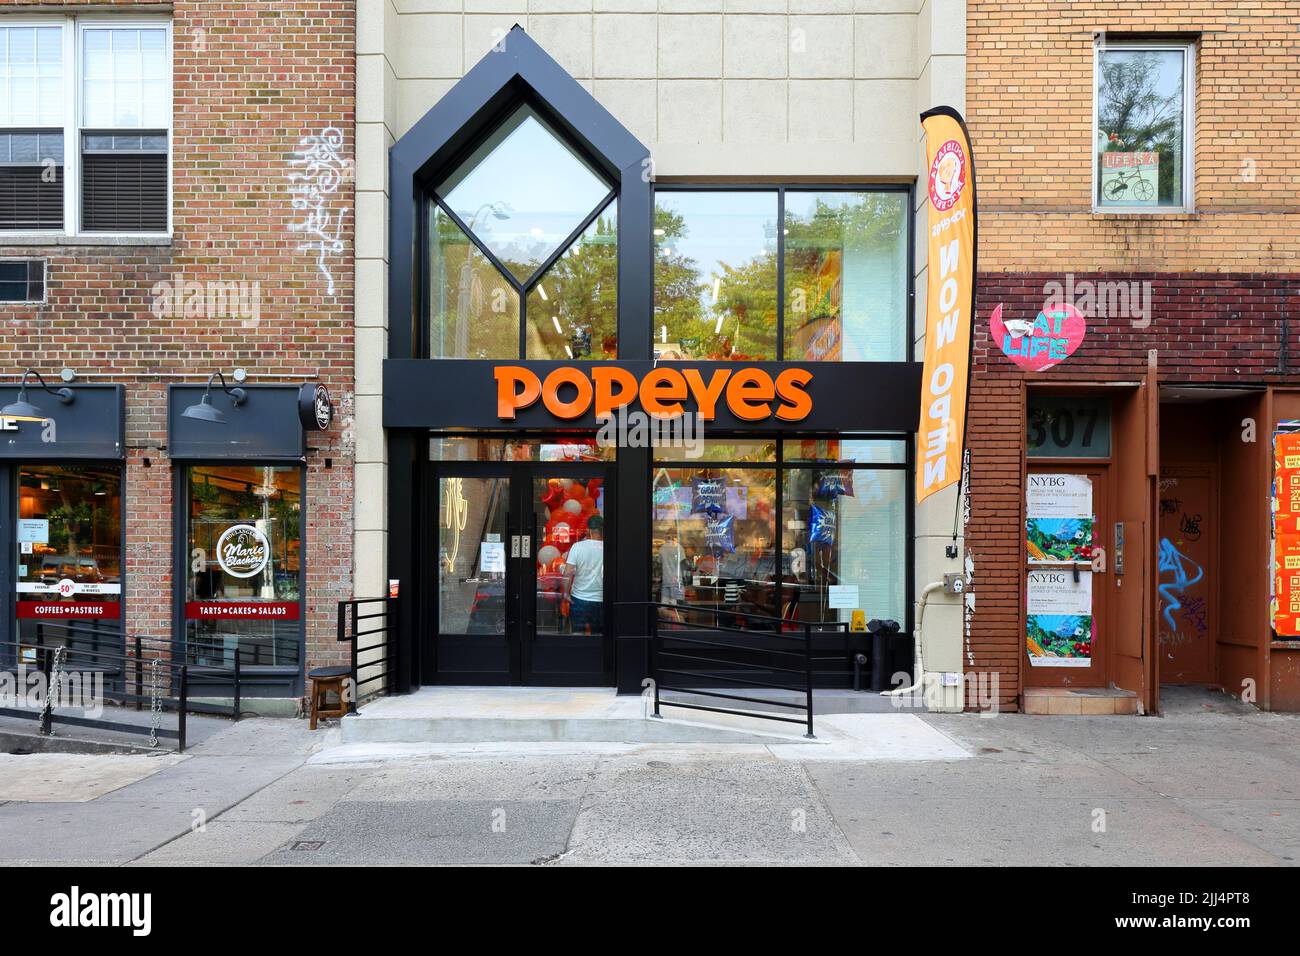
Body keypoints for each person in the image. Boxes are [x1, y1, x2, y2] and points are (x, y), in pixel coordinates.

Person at [562, 515, 604, 635]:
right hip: (601, 599)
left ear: (588, 530)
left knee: (577, 635)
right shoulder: (608, 548)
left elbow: (568, 572)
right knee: (599, 636)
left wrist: (565, 593)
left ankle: (579, 654)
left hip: (579, 598)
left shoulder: (577, 547)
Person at [658, 526, 684, 604]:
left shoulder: (662, 548)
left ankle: (664, 616)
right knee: (674, 604)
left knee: (664, 602)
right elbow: (682, 563)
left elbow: (660, 562)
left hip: (666, 579)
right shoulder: (679, 548)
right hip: (676, 580)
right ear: (676, 536)